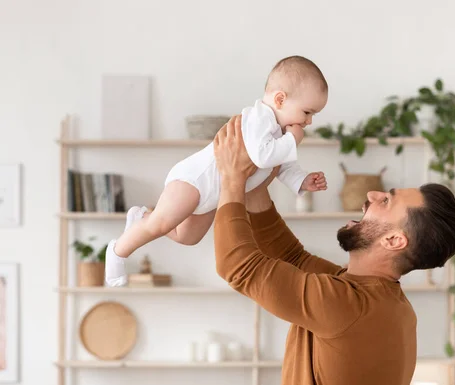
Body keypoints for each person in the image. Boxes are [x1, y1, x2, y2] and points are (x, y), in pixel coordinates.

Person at [211, 116, 455, 385]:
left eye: (386, 200)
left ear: (393, 240)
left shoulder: (347, 305)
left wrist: (232, 179)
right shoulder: (381, 301)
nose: (371, 195)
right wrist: (255, 188)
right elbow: (291, 257)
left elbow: (237, 266)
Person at [104, 55, 329, 287]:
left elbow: (282, 164)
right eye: (307, 112)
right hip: (194, 181)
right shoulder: (259, 119)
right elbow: (263, 156)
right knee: (160, 225)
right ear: (280, 99)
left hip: (213, 194)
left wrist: (301, 180)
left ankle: (142, 217)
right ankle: (117, 251)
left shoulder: (280, 134)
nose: (309, 122)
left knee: (188, 237)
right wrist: (292, 140)